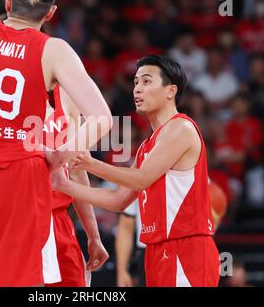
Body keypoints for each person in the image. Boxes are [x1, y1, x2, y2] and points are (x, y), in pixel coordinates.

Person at [0, 0, 112, 287]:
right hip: (17, 177)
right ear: (50, 13)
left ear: (7, 2)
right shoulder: (53, 49)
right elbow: (102, 118)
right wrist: (58, 156)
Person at [54, 55, 220, 287]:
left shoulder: (181, 128)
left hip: (186, 247)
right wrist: (63, 185)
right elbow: (118, 200)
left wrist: (91, 164)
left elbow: (141, 179)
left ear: (170, 91)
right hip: (155, 250)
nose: (137, 89)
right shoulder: (146, 147)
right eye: (135, 83)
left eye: (146, 82)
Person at [0, 86, 109, 287]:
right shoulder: (3, 94)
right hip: (16, 220)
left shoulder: (66, 98)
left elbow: (77, 170)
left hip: (58, 218)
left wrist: (93, 236)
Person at [115, 199, 146, 287]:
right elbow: (125, 226)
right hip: (146, 252)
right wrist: (121, 271)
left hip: (183, 246)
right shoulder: (134, 186)